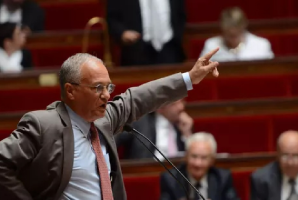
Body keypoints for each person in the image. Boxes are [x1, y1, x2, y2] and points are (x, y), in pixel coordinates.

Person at [0, 48, 220, 200]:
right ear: (70, 90)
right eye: (97, 88)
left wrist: (189, 78)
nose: (106, 95)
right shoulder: (44, 124)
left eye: (109, 87)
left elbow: (139, 97)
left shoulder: (104, 120)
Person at [160, 132, 240, 200]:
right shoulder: (171, 179)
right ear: (186, 157)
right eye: (194, 156)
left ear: (211, 160)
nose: (198, 163)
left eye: (204, 158)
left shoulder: (223, 178)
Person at [107, 0, 186, 66]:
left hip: (170, 49)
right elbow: (112, 18)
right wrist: (122, 33)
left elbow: (180, 15)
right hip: (136, 50)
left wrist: (177, 36)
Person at [116, 99, 193, 160]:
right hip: (147, 173)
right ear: (159, 107)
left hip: (176, 176)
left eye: (182, 101)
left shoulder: (183, 125)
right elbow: (112, 142)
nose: (181, 107)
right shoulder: (138, 123)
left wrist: (187, 134)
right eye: (174, 104)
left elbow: (194, 158)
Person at [200, 7, 274, 62]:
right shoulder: (211, 46)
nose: (233, 39)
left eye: (236, 35)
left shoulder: (261, 45)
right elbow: (200, 74)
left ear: (243, 27)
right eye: (229, 35)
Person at [250, 130, 298, 200]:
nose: (290, 163)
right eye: (285, 156)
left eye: (296, 156)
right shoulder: (261, 180)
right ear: (277, 156)